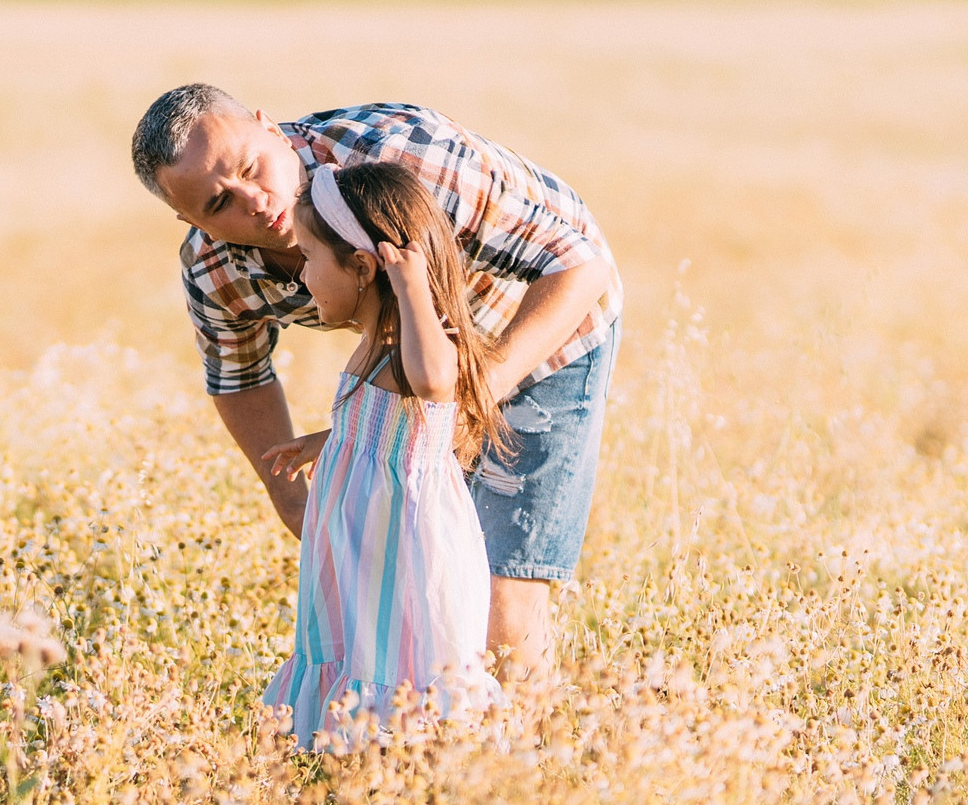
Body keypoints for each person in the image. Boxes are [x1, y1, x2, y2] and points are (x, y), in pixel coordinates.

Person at [130, 86, 620, 687]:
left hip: (543, 326)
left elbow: (580, 264)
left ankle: (520, 768)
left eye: (251, 168)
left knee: (500, 598)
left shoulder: (404, 160)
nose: (254, 202)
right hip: (418, 377)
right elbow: (239, 376)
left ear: (269, 127)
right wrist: (288, 494)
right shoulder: (213, 266)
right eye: (217, 203)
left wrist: (470, 400)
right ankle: (423, 762)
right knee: (425, 592)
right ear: (192, 221)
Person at [260, 162, 506, 747]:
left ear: (364, 267)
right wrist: (331, 440)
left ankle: (401, 787)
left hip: (402, 553)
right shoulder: (374, 341)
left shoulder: (412, 350)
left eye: (309, 258)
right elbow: (392, 424)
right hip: (361, 548)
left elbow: (433, 386)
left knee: (396, 663)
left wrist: (412, 285)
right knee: (356, 648)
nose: (302, 278)